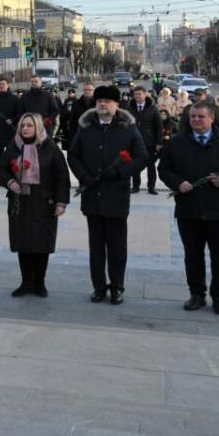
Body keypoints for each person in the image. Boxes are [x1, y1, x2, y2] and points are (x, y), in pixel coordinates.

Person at [159, 101, 219, 316]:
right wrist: (178, 183)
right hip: (189, 210)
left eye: (201, 117)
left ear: (212, 118)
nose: (196, 120)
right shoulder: (177, 143)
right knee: (192, 256)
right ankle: (197, 294)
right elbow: (164, 169)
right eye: (193, 116)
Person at [67, 85, 147, 305]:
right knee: (96, 247)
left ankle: (117, 287)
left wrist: (121, 172)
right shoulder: (86, 127)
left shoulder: (127, 128)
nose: (103, 104)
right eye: (99, 101)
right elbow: (73, 156)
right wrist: (83, 176)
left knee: (117, 247)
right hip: (93, 195)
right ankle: (99, 287)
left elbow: (142, 157)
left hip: (116, 196)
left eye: (108, 101)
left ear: (116, 105)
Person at [0, 113, 70, 297]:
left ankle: (39, 282)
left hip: (44, 203)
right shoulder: (14, 146)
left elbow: (62, 177)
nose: (25, 129)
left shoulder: (50, 148)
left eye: (29, 125)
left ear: (37, 127)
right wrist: (10, 182)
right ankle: (25, 282)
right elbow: (1, 169)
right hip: (19, 202)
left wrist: (61, 202)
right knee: (23, 243)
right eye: (23, 126)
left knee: (41, 244)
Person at [127, 87, 162, 194]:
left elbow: (159, 126)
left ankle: (151, 187)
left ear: (145, 95)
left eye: (140, 94)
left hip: (149, 142)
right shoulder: (129, 108)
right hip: (134, 142)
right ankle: (136, 186)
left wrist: (159, 142)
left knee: (151, 165)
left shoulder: (153, 108)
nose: (138, 96)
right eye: (136, 94)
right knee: (135, 165)